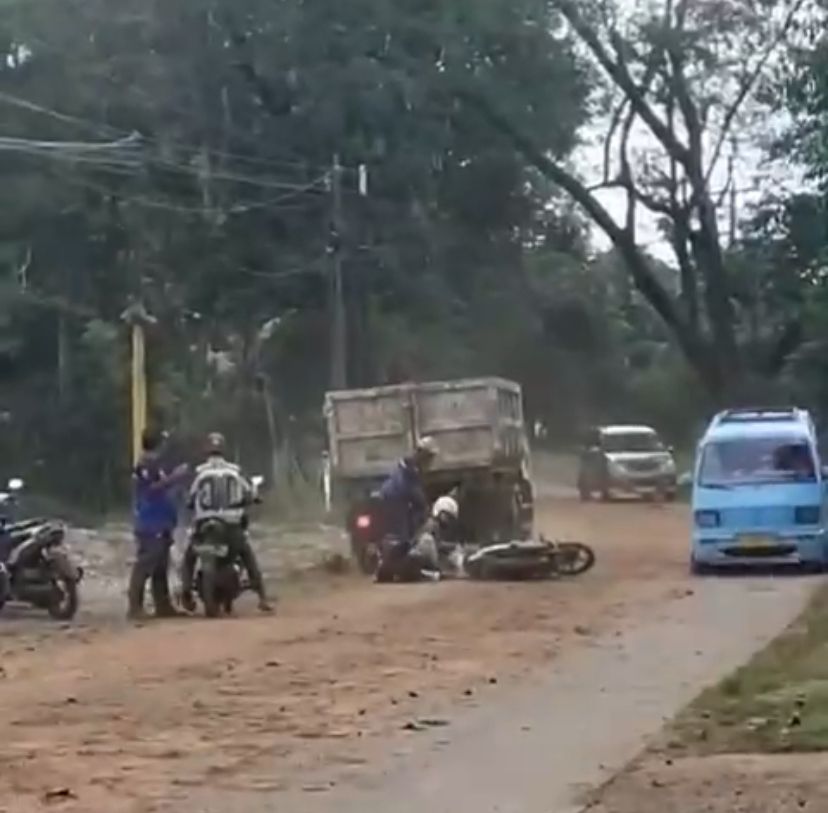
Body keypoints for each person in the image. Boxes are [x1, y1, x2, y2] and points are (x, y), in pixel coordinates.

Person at [180, 432, 273, 613]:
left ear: (206, 451)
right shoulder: (234, 471)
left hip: (205, 526)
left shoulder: (200, 473)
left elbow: (190, 499)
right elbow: (249, 494)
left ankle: (186, 593)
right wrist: (254, 498)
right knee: (247, 556)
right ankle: (262, 597)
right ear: (224, 450)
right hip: (231, 526)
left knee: (189, 559)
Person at [128, 428, 189, 620]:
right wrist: (175, 477)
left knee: (161, 566)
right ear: (158, 444)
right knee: (145, 564)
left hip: (161, 522)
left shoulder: (155, 464)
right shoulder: (146, 465)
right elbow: (152, 490)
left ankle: (163, 605)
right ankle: (135, 607)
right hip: (150, 522)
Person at [375, 436, 439, 576]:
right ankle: (396, 558)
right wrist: (425, 510)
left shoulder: (409, 465)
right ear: (422, 454)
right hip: (396, 498)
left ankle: (390, 557)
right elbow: (414, 493)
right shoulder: (410, 469)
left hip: (390, 495)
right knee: (403, 533)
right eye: (429, 457)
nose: (430, 461)